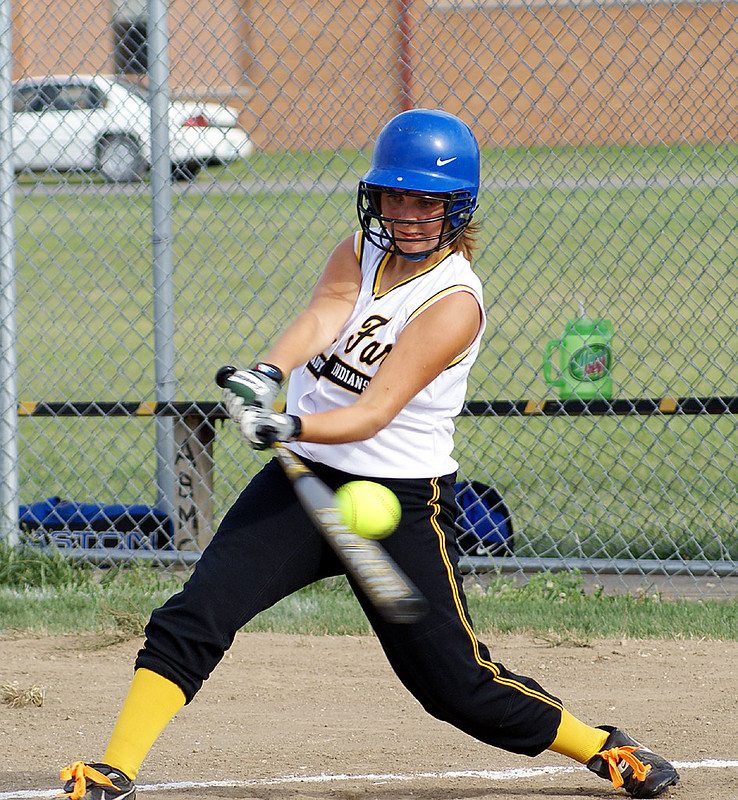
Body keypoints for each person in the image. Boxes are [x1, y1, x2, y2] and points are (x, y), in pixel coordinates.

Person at [59, 109, 679, 800]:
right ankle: (115, 768)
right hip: (305, 485)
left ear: (458, 207)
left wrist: (286, 425)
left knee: (456, 686)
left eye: (426, 199)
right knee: (198, 610)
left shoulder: (454, 303)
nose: (407, 214)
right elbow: (325, 314)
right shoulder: (360, 251)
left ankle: (603, 747)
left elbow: (375, 411)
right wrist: (267, 374)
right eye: (393, 195)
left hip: (397, 506)